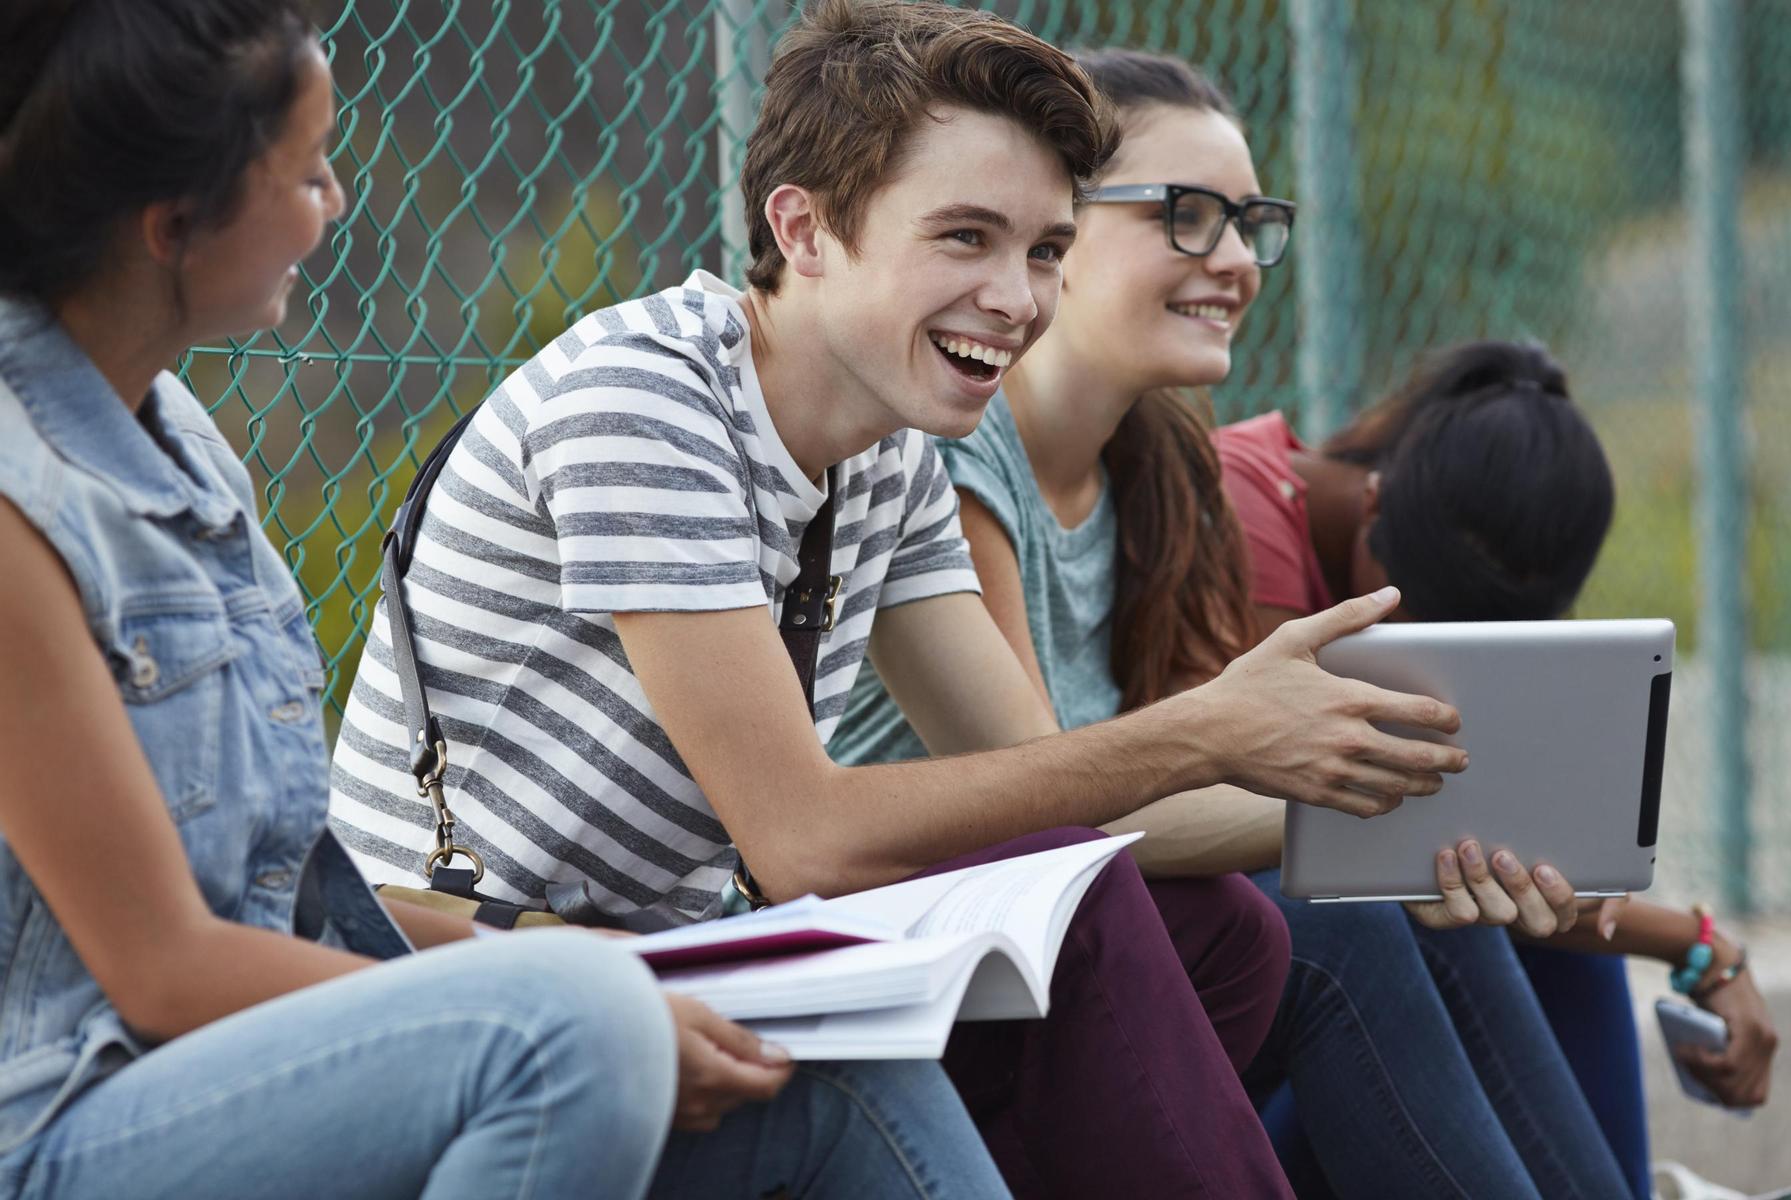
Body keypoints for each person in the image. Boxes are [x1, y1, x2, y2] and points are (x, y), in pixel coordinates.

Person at [326, 2, 1479, 1195]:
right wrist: (1203, 730)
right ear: (805, 228)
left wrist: (1394, 811)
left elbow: (1044, 797)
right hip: (478, 980)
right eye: (965, 237)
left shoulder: (884, 455)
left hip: (677, 963)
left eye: (1041, 249)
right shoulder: (645, 403)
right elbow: (803, 835)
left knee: (1226, 940)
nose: (1017, 297)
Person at [0, 3, 1011, 1197]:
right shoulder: (20, 505)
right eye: (306, 171)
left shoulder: (179, 445)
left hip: (280, 1043)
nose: (332, 200)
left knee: (835, 1066)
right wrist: (572, 995)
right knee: (582, 1026)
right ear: (174, 224)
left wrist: (624, 977)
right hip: (71, 1114)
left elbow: (293, 900)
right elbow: (163, 969)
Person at [825, 49, 1702, 1200]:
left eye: (1248, 222)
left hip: (1114, 967)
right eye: (1186, 217)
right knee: (1345, 926)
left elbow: (1195, 799)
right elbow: (1045, 806)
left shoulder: (1162, 459)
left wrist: (1417, 823)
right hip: (949, 974)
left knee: (1427, 908)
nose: (1234, 261)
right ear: (1056, 229)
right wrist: (1364, 812)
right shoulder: (951, 450)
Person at [1216, 340, 1782, 1196]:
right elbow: (1354, 850)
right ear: (1375, 505)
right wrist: (1695, 945)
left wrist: (1703, 948)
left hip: (1346, 982)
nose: (1421, 649)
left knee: (1535, 911)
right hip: (1254, 1002)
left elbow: (1476, 847)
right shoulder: (1247, 515)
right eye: (1416, 617)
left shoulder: (1426, 522)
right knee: (1439, 917)